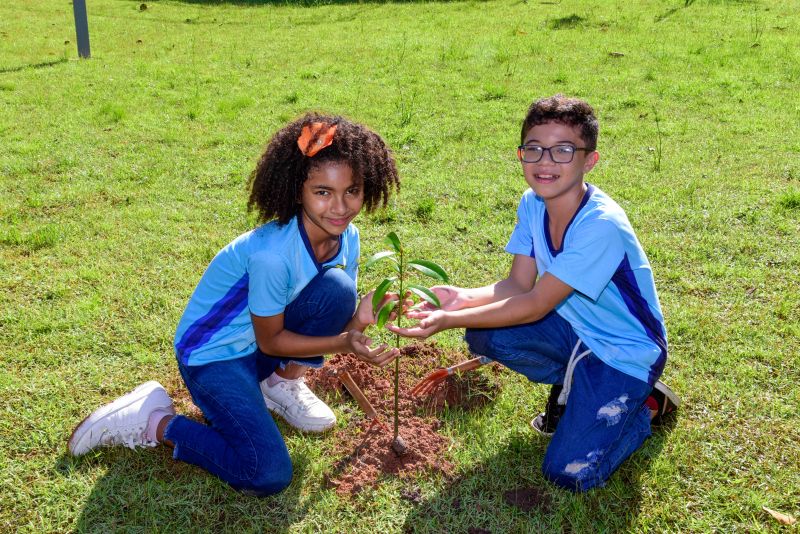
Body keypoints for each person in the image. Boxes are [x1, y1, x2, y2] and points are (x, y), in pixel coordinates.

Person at [69, 114, 401, 496]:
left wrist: (358, 318)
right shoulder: (272, 254)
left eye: (352, 191)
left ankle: (279, 384)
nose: (340, 207)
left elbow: (334, 319)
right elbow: (273, 342)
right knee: (266, 473)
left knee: (338, 290)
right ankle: (151, 420)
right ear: (298, 191)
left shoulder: (349, 237)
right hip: (214, 357)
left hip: (257, 347)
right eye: (322, 192)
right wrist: (344, 343)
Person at [389, 95, 680, 492]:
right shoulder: (533, 204)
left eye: (563, 150)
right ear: (521, 154)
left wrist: (448, 320)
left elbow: (536, 304)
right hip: (576, 330)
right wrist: (458, 297)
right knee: (485, 334)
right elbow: (517, 286)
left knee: (567, 475)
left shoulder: (601, 225)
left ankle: (642, 406)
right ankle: (580, 388)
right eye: (534, 149)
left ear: (589, 161)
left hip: (624, 352)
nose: (546, 162)